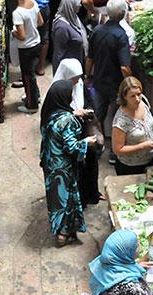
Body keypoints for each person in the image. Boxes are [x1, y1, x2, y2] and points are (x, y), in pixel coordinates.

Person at [40, 80, 97, 247]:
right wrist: (87, 141)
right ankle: (64, 234)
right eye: (70, 93)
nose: (72, 96)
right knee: (67, 199)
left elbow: (56, 132)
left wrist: (74, 114)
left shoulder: (49, 114)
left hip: (50, 163)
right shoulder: (67, 121)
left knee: (55, 198)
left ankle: (58, 229)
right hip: (64, 167)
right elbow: (72, 147)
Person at [51, 58, 104, 207]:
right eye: (73, 79)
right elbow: (57, 115)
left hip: (84, 129)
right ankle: (80, 199)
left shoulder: (79, 84)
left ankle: (93, 193)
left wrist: (88, 112)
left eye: (78, 78)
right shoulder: (58, 90)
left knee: (92, 160)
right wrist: (74, 114)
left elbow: (88, 101)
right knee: (77, 166)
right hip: (71, 135)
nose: (76, 82)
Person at [85, 0, 132, 164]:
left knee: (98, 114)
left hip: (99, 82)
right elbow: (125, 67)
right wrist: (132, 83)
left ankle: (96, 146)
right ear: (122, 15)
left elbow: (90, 58)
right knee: (118, 118)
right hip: (115, 85)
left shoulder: (97, 31)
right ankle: (114, 152)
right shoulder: (121, 36)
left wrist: (87, 76)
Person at [112, 77, 153, 175]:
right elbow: (117, 149)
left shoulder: (143, 102)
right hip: (130, 167)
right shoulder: (121, 120)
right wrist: (142, 146)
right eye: (132, 96)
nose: (137, 99)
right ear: (124, 97)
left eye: (139, 94)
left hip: (151, 161)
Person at [12, 0, 44, 113]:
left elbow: (22, 36)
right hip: (36, 43)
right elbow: (40, 22)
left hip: (26, 48)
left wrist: (14, 33)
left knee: (27, 76)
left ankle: (32, 105)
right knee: (31, 74)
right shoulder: (34, 4)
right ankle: (36, 96)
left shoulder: (17, 13)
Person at [51, 0, 89, 74]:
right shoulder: (61, 28)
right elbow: (58, 55)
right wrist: (58, 79)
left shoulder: (74, 18)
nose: (80, 5)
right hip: (68, 72)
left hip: (77, 66)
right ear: (70, 6)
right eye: (78, 4)